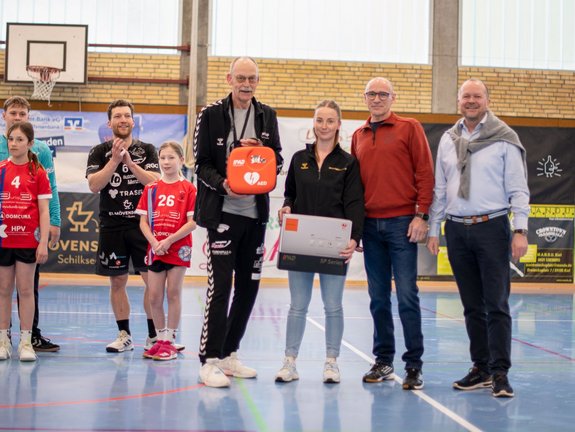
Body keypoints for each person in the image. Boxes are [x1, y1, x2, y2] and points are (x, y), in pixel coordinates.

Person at [427, 79, 530, 398]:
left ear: (487, 100)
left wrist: (520, 230)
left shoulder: (504, 138)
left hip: (492, 227)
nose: (471, 101)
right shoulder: (448, 138)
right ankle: (481, 367)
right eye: (466, 96)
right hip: (456, 230)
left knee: (496, 304)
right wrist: (434, 228)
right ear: (458, 101)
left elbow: (518, 187)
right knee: (471, 305)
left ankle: (500, 372)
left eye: (477, 96)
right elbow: (440, 189)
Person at [193, 56, 283, 387]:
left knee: (249, 287)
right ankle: (209, 359)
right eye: (241, 78)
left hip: (255, 217)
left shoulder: (267, 115)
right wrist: (223, 184)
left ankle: (230, 354)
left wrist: (260, 153)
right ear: (229, 78)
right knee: (221, 288)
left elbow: (277, 161)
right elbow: (200, 164)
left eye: (253, 79)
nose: (247, 84)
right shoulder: (211, 114)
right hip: (222, 214)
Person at [351, 77, 434, 390]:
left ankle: (413, 366)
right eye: (371, 93)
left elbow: (425, 173)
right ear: (365, 97)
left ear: (392, 97)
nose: (376, 98)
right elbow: (355, 189)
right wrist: (356, 229)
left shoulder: (410, 127)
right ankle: (384, 360)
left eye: (382, 94)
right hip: (370, 228)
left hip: (402, 225)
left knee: (408, 297)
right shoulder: (358, 135)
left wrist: (421, 214)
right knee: (377, 298)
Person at [274, 100, 364, 384]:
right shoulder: (299, 158)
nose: (324, 126)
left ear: (339, 125)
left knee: (333, 305)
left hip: (333, 243)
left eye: (329, 121)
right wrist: (286, 208)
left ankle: (331, 363)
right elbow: (289, 194)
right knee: (297, 305)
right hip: (300, 242)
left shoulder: (348, 163)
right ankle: (289, 362)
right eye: (319, 120)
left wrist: (354, 238)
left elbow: (354, 203)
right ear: (313, 123)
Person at [86, 99, 162, 353]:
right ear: (109, 123)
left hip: (142, 225)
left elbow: (154, 183)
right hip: (112, 225)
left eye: (127, 116)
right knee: (117, 282)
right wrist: (115, 161)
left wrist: (129, 162)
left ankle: (154, 337)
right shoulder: (98, 151)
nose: (122, 120)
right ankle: (124, 335)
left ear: (133, 121)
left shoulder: (148, 150)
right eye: (117, 116)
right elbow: (94, 185)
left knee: (152, 282)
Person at [0, 96, 61, 353]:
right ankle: (4, 337)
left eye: (22, 113)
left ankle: (29, 337)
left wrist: (54, 222)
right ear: (4, 116)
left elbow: (50, 191)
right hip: (3, 234)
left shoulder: (41, 153)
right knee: (3, 288)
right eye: (12, 112)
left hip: (28, 233)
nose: (17, 116)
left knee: (27, 287)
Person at [136, 141, 197, 361]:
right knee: (154, 296)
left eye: (171, 157)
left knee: (173, 293)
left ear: (181, 160)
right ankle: (160, 339)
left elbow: (192, 222)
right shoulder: (151, 188)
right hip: (155, 249)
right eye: (162, 158)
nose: (166, 162)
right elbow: (143, 222)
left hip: (178, 248)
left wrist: (169, 240)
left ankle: (170, 341)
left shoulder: (188, 188)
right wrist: (154, 242)